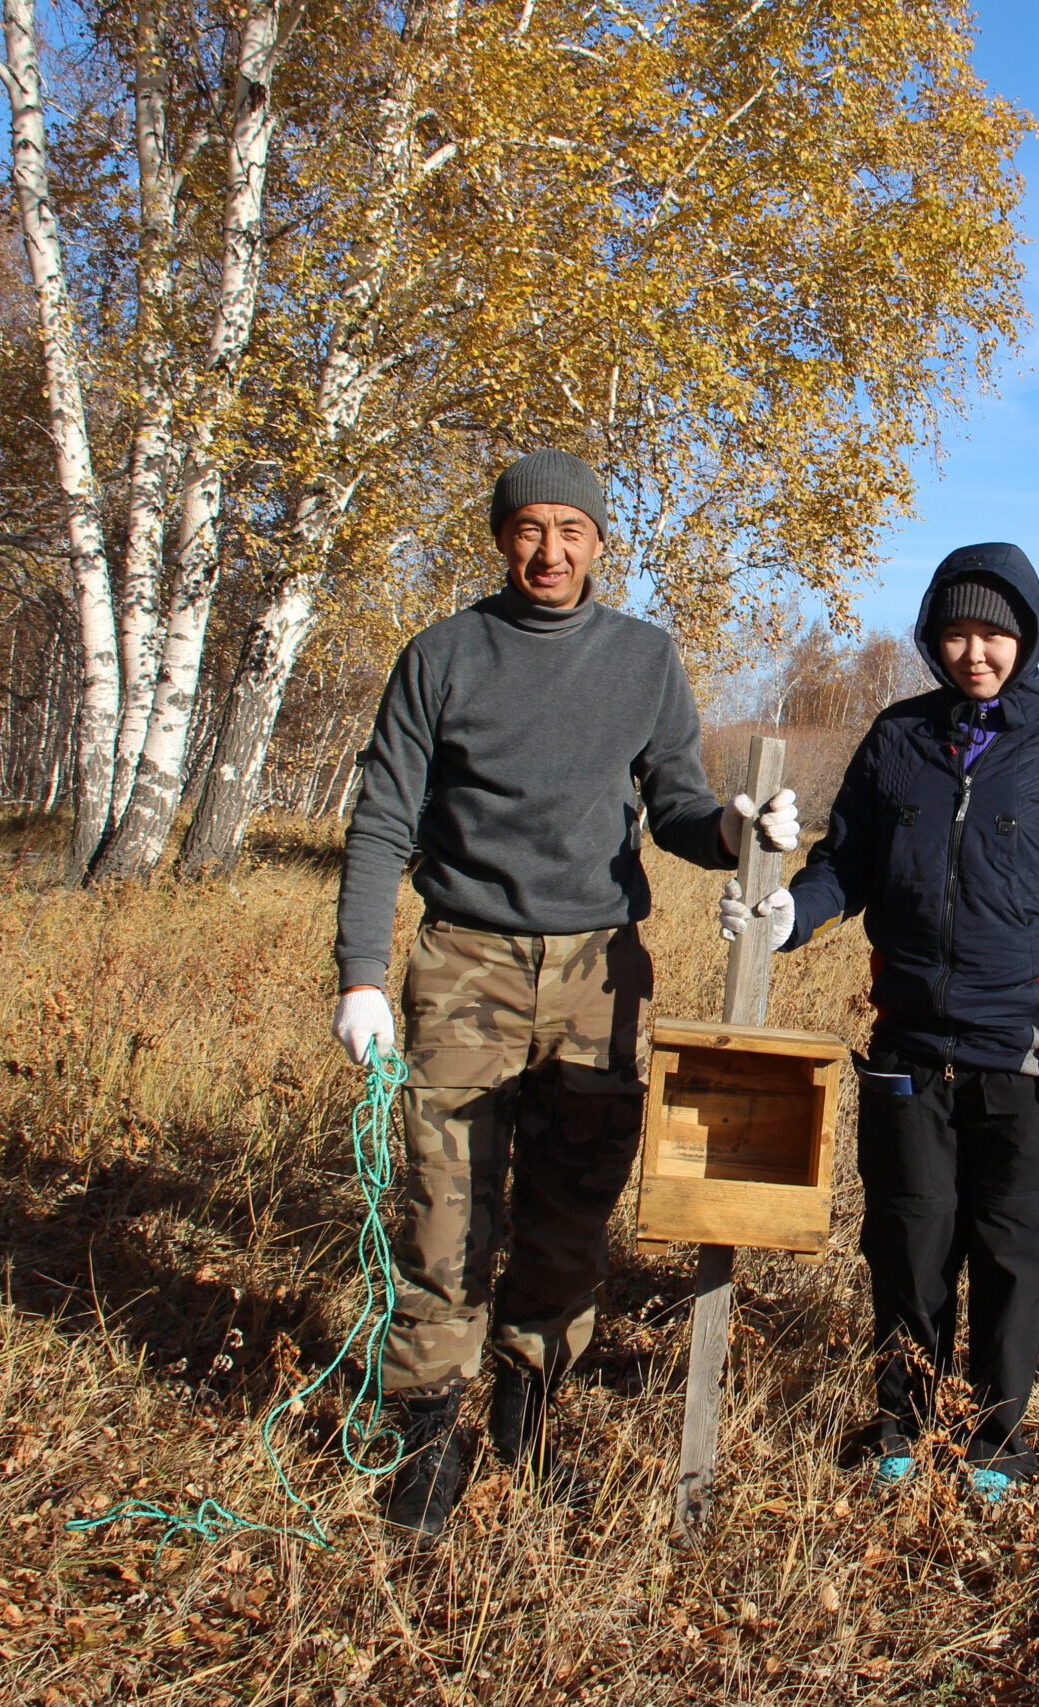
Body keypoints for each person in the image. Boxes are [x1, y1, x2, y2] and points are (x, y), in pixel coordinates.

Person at [332, 447, 798, 1540]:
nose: (550, 551)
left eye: (572, 531)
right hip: (466, 963)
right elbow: (382, 823)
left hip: (601, 972)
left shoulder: (642, 659)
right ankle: (428, 1433)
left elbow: (678, 805)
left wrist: (736, 834)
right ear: (502, 539)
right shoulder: (441, 656)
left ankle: (527, 1412)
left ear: (599, 543)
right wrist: (361, 972)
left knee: (572, 1206)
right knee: (446, 1209)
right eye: (530, 529)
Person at [720, 543, 1039, 1502]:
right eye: (954, 631)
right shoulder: (898, 735)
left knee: (1012, 1246)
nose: (973, 652)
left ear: (1024, 635)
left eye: (993, 632)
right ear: (931, 636)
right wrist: (789, 916)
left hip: (1024, 1047)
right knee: (907, 1239)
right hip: (908, 1039)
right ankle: (901, 1419)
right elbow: (845, 865)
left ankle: (996, 1437)